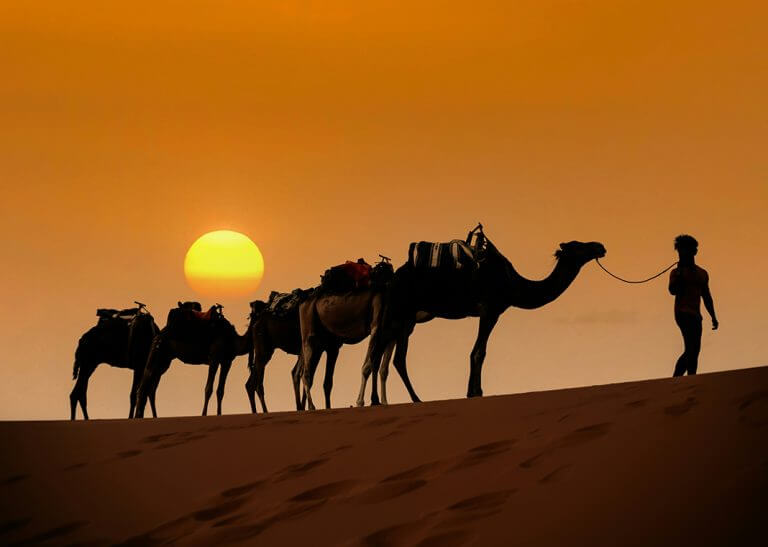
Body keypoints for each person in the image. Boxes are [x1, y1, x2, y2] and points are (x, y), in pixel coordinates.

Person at [668, 234, 718, 376]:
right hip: (682, 312)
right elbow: (672, 290)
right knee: (691, 348)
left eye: (686, 250)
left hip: (696, 314)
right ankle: (678, 380)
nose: (682, 254)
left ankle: (690, 379)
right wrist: (679, 273)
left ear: (694, 251)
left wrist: (713, 316)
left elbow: (706, 296)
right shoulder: (676, 272)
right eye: (680, 251)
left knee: (694, 350)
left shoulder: (702, 273)